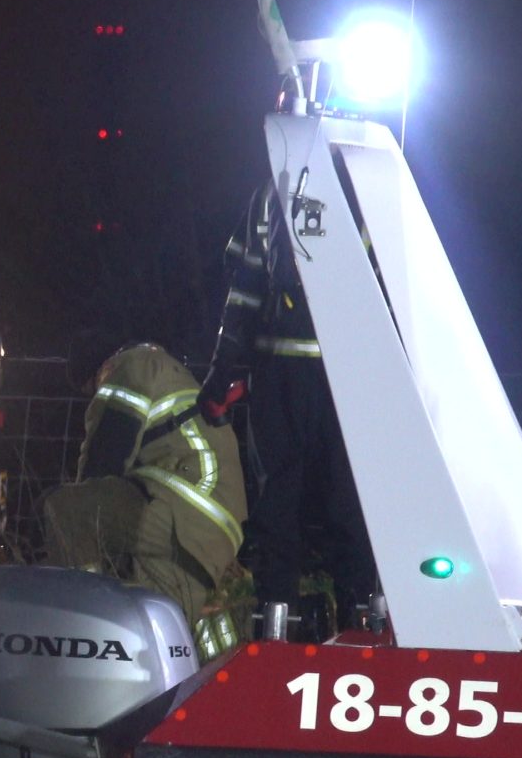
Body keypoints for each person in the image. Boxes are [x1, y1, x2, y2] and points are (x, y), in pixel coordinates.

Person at [199, 184, 380, 640]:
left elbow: (384, 284)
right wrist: (222, 370)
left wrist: (224, 366)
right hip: (300, 379)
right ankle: (286, 625)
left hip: (331, 380)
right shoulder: (272, 195)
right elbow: (246, 285)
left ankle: (352, 625)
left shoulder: (357, 189)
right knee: (296, 506)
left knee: (342, 505)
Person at [42, 338, 248, 660]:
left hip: (184, 504)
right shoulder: (166, 370)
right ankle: (223, 687)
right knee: (155, 628)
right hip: (204, 527)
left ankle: (85, 627)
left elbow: (103, 459)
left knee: (67, 510)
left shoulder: (129, 367)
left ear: (98, 370)